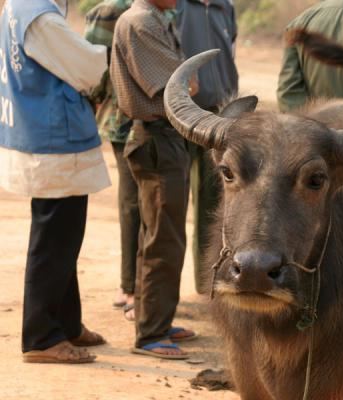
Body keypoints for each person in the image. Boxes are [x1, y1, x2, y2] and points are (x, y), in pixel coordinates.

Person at [0, 0, 109, 363]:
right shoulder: (40, 17)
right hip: (54, 139)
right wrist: (109, 52)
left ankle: (67, 323)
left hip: (44, 134)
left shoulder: (19, 7)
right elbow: (89, 66)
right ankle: (41, 336)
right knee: (53, 241)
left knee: (63, 238)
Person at [111, 0, 198, 359]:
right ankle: (150, 334)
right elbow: (183, 87)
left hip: (163, 137)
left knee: (162, 236)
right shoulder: (141, 22)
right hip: (158, 137)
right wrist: (189, 81)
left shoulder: (152, 18)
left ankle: (157, 321)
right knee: (163, 239)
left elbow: (187, 82)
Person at [174, 0, 238, 295]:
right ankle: (139, 291)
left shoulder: (225, 6)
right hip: (178, 118)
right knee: (168, 205)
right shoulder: (176, 6)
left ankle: (206, 282)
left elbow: (231, 50)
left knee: (214, 204)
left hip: (220, 118)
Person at [84, 0, 138, 320]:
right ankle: (130, 286)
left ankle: (142, 288)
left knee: (154, 211)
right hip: (123, 123)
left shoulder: (170, 8)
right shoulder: (110, 11)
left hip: (160, 124)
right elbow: (92, 71)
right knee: (133, 206)